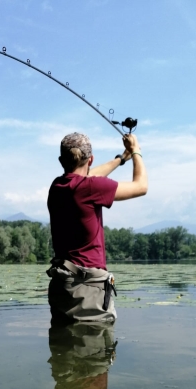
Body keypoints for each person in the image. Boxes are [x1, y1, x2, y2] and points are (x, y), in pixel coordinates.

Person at [47, 132, 147, 322]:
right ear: (90, 159)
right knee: (96, 349)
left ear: (61, 161)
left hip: (62, 286)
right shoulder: (92, 187)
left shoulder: (57, 186)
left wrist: (121, 159)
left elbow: (88, 176)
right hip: (88, 289)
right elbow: (141, 186)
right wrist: (136, 152)